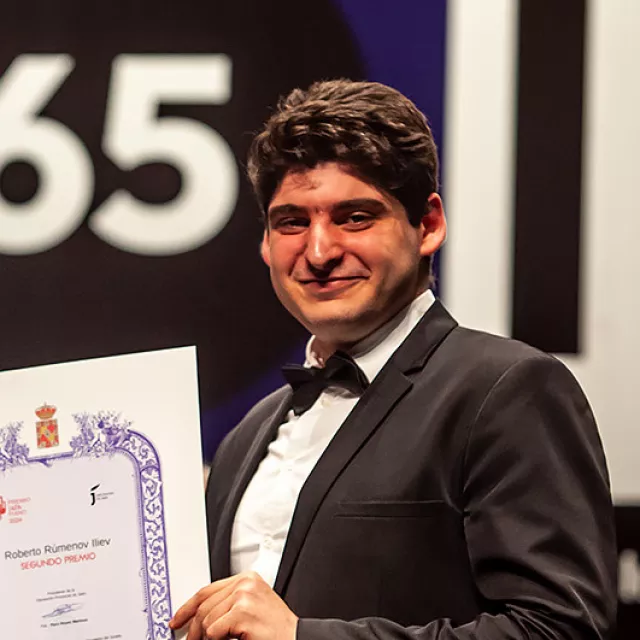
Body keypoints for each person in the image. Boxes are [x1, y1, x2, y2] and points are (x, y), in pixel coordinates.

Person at [170, 80, 617, 640]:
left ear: (428, 225)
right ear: (265, 242)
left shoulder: (506, 391)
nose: (319, 252)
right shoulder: (246, 438)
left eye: (355, 217)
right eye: (292, 222)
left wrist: (304, 637)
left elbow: (560, 629)